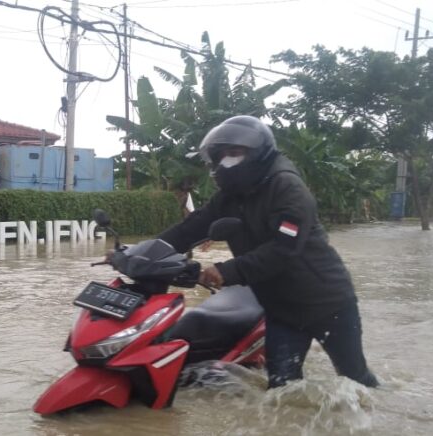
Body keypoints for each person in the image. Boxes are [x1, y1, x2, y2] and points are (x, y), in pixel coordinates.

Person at [157, 115, 378, 388]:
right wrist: (147, 251)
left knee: (355, 379)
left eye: (235, 153)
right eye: (221, 155)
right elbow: (193, 227)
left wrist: (225, 271)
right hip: (281, 310)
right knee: (282, 391)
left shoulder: (287, 187)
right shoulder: (231, 195)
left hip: (327, 304)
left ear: (257, 153)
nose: (226, 161)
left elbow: (283, 250)